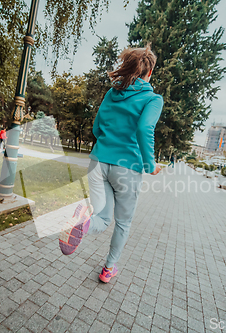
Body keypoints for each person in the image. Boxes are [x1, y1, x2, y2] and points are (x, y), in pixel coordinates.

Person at [59, 44, 163, 283]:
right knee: (122, 222)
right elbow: (144, 127)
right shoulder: (152, 99)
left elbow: (96, 128)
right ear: (149, 73)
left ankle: (82, 223)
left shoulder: (111, 93)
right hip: (126, 168)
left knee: (102, 218)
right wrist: (150, 164)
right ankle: (109, 268)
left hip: (98, 162)